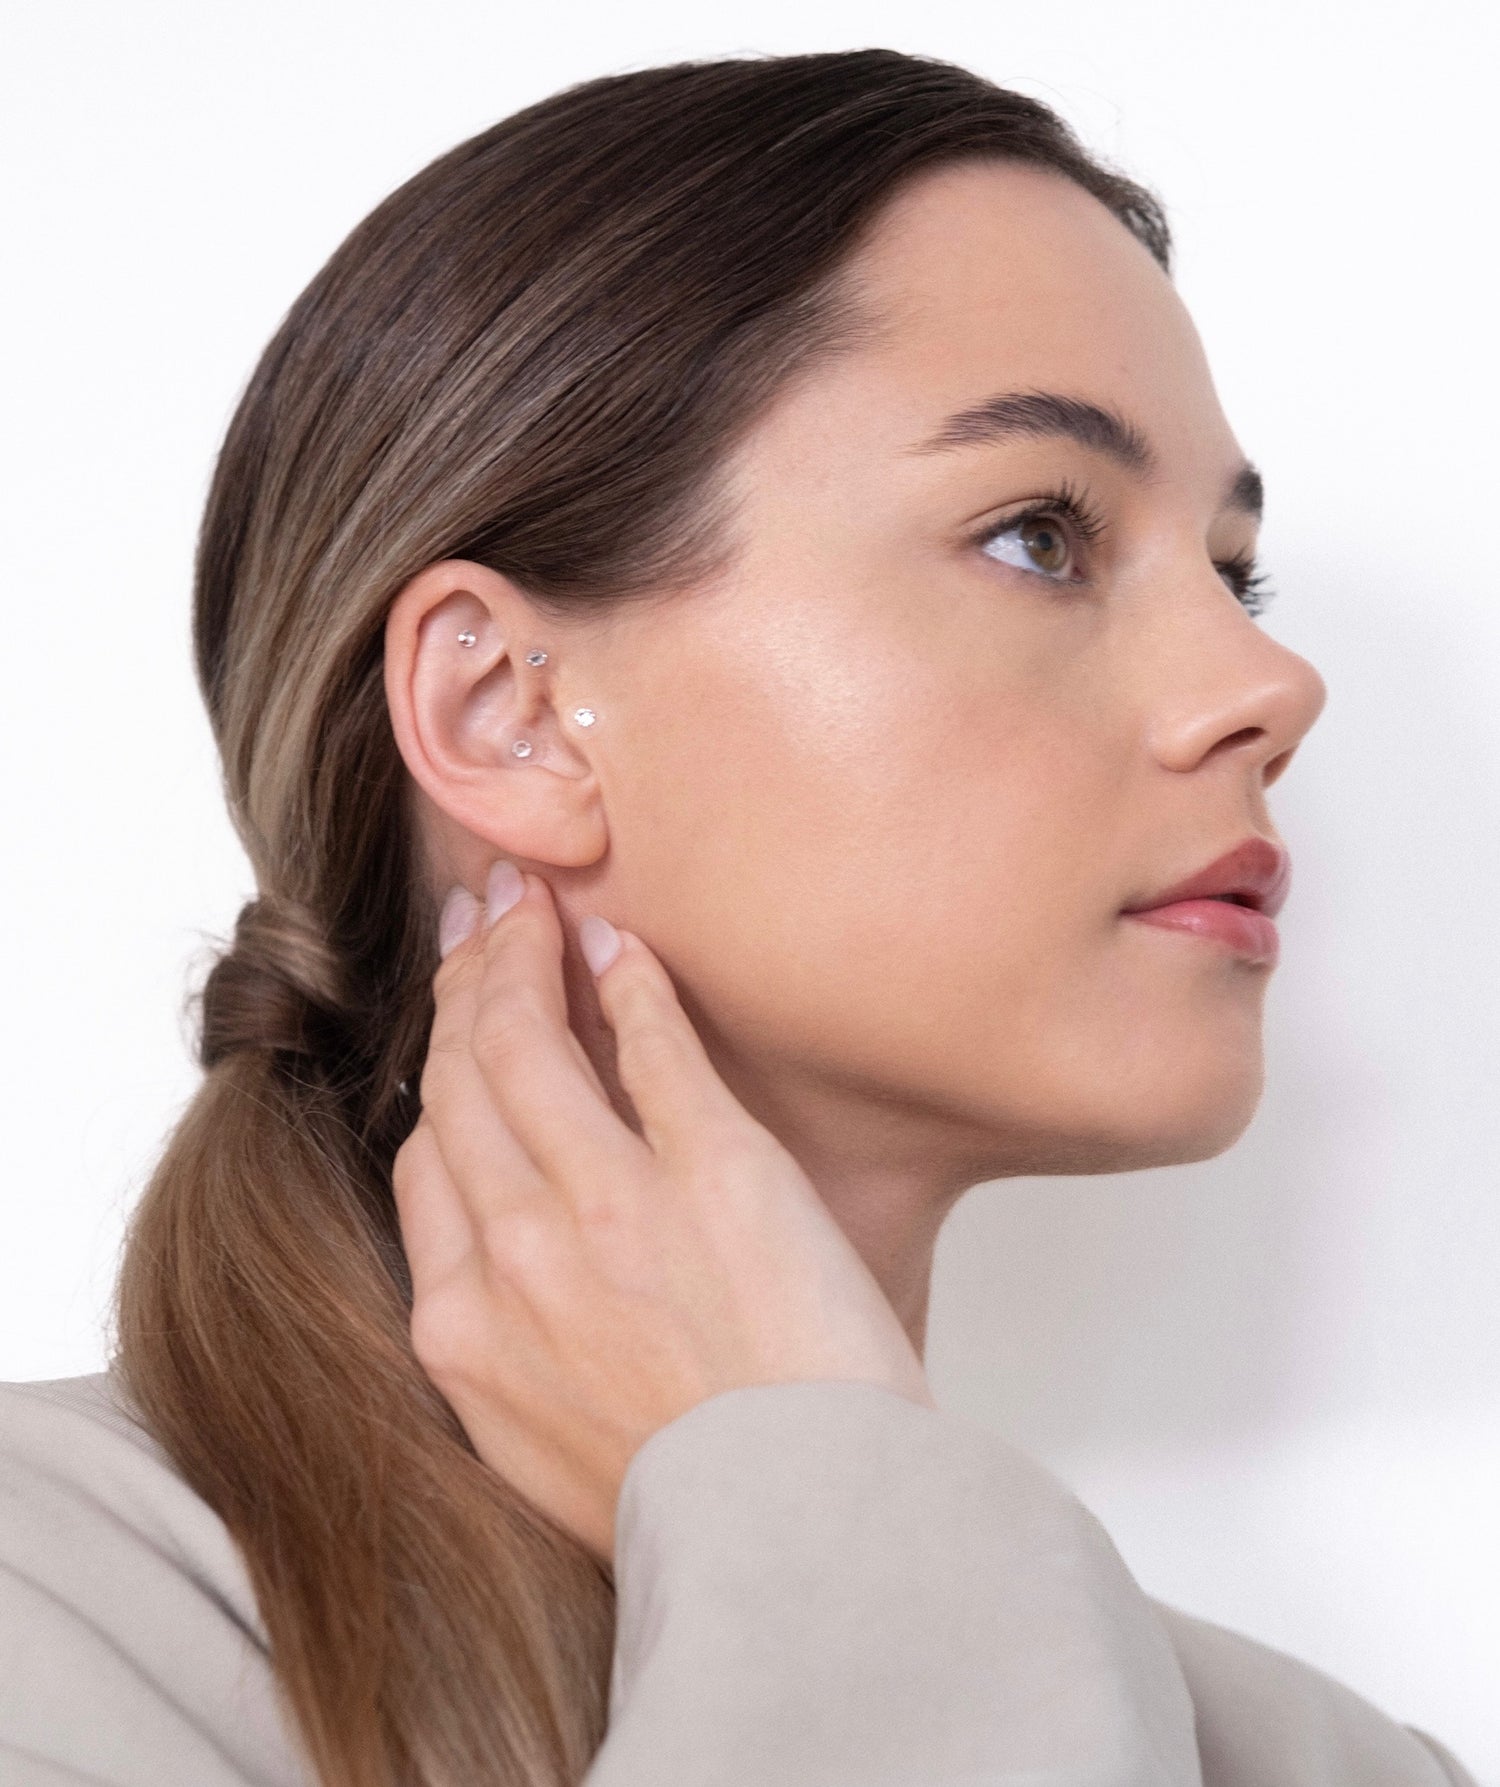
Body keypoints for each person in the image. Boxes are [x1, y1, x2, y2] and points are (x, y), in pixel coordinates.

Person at [0, 45, 1481, 1787]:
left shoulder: (1332, 1765)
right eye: (1038, 535)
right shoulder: (53, 1609)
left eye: (1233, 572)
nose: (1269, 681)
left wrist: (803, 1478)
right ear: (507, 714)